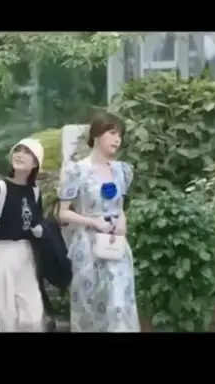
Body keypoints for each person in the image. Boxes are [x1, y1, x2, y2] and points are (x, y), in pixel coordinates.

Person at [57, 111, 139, 332]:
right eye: (112, 133)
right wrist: (93, 222)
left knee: (119, 305)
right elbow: (63, 213)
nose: (117, 139)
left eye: (119, 135)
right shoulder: (77, 171)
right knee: (91, 308)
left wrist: (123, 223)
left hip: (116, 245)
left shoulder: (122, 171)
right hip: (88, 247)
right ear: (96, 134)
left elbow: (120, 207)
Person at [0, 138, 45, 332]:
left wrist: (39, 229)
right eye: (18, 150)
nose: (20, 155)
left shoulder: (35, 191)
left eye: (27, 152)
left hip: (26, 253)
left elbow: (37, 219)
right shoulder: (0, 188)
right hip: (1, 251)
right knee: (4, 312)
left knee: (32, 314)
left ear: (36, 163)